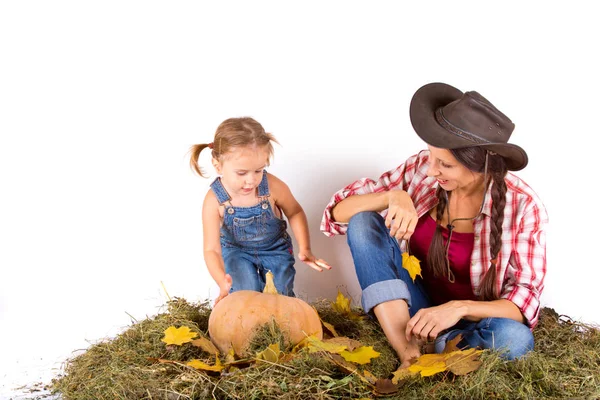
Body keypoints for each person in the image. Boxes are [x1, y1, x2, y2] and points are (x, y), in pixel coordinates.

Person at [321, 83, 548, 367]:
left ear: (481, 166)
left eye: (445, 164)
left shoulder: (523, 205)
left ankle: (444, 344)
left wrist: (457, 309)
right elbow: (338, 212)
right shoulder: (422, 171)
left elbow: (524, 301)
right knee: (364, 222)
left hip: (471, 323)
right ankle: (410, 353)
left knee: (514, 339)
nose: (431, 170)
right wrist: (392, 196)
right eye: (430, 156)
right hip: (413, 306)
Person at [190, 117, 331, 305]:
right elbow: (211, 249)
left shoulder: (272, 186)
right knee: (244, 295)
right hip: (236, 251)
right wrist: (222, 281)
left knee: (280, 298)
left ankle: (280, 326)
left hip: (275, 248)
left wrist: (305, 248)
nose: (251, 180)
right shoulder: (214, 200)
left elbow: (295, 212)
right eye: (242, 173)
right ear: (218, 165)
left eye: (258, 170)